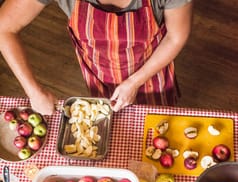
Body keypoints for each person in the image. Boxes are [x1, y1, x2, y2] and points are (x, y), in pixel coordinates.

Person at [0, 0, 193, 114]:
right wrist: (34, 92)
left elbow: (175, 37)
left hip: (153, 77)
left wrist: (134, 82)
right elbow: (4, 28)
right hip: (99, 77)